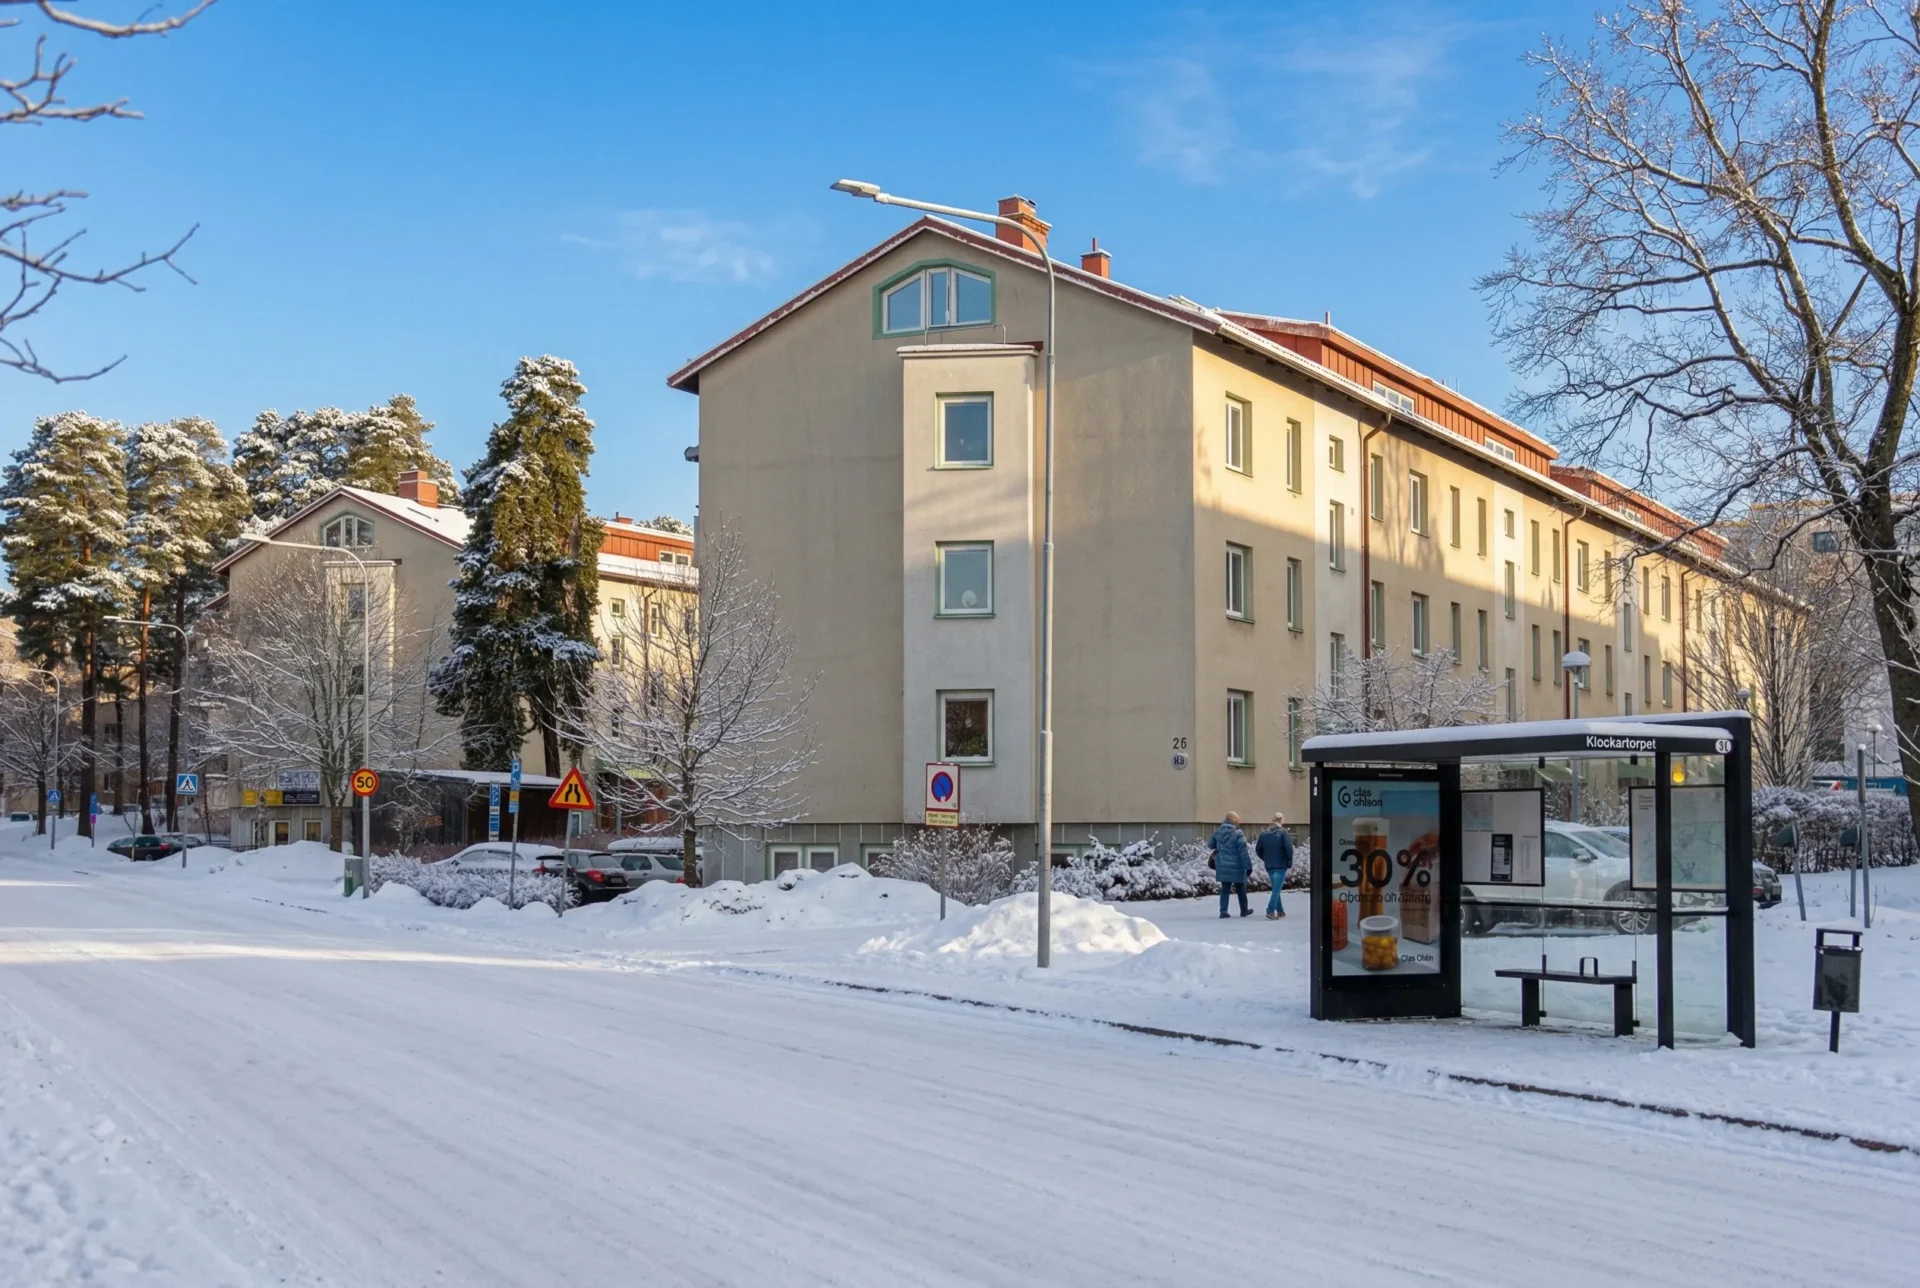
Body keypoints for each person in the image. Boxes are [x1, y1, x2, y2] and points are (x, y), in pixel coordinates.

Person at [1209, 812, 1253, 918]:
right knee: (1241, 888)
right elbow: (1243, 853)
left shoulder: (1218, 831)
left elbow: (1210, 845)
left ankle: (1223, 911)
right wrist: (1248, 867)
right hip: (1237, 866)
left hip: (1222, 866)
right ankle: (1244, 910)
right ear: (1235, 821)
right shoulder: (1238, 833)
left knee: (1225, 889)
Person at [1257, 813, 1294, 919]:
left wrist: (1266, 859)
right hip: (1281, 865)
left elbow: (1258, 850)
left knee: (1275, 889)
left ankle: (1280, 911)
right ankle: (1270, 910)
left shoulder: (1264, 834)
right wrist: (1289, 861)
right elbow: (1289, 849)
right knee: (1276, 890)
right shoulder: (1283, 833)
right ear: (1281, 819)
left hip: (1269, 866)